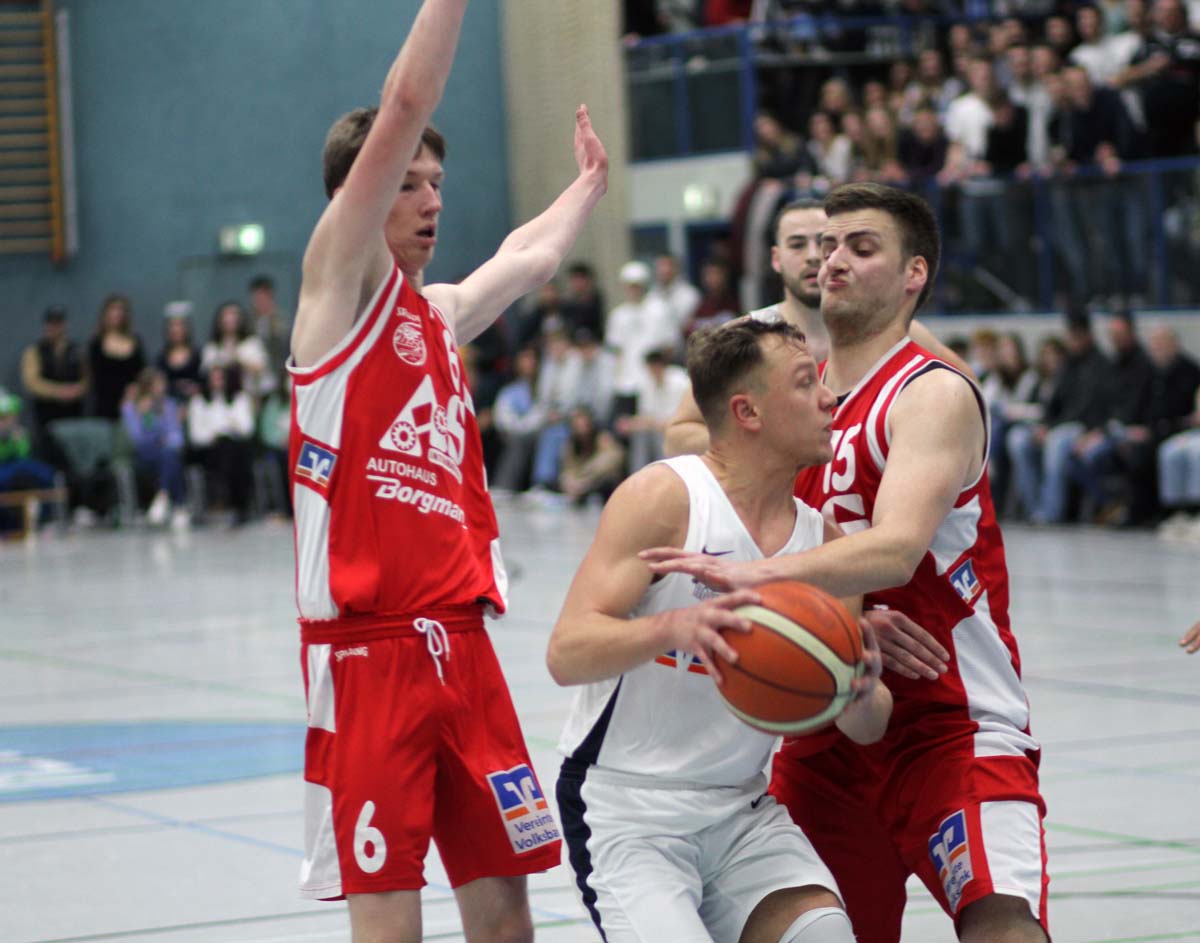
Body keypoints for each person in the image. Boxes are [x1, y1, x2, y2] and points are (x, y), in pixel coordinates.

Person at [644, 184, 1049, 943]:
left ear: (913, 276)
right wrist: (847, 612)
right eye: (827, 245)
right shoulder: (802, 410)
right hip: (823, 721)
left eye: (861, 247)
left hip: (948, 721)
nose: (833, 260)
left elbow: (896, 546)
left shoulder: (931, 389)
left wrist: (766, 580)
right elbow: (694, 449)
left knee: (999, 920)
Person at [285, 2, 608, 939]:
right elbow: (405, 99)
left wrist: (586, 184)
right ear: (359, 197)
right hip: (369, 653)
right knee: (392, 921)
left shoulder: (439, 313)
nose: (431, 199)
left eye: (438, 182)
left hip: (463, 647)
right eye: (408, 183)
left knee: (506, 905)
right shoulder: (335, 294)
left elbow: (530, 256)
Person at [548, 318, 891, 943]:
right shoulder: (666, 497)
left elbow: (867, 728)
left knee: (826, 935)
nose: (828, 398)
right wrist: (672, 625)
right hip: (628, 811)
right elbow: (567, 652)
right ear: (747, 411)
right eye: (805, 382)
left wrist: (860, 687)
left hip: (740, 810)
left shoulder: (824, 545)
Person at [664, 198, 970, 459]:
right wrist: (773, 444)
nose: (813, 256)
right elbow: (677, 438)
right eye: (797, 244)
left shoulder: (896, 332)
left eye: (823, 244)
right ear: (776, 259)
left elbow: (969, 393)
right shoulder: (744, 337)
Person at [121, 367, 188, 529]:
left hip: (166, 452)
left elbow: (177, 437)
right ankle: (179, 506)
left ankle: (163, 496)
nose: (162, 389)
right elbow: (137, 439)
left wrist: (161, 417)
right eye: (157, 385)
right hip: (144, 456)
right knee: (170, 457)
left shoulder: (169, 405)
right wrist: (141, 415)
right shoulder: (130, 408)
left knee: (169, 455)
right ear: (147, 388)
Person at [20, 305, 88, 462]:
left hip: (73, 412)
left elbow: (87, 378)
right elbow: (32, 382)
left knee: (73, 454)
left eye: (58, 323)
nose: (54, 327)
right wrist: (59, 391)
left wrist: (78, 390)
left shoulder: (76, 349)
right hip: (47, 414)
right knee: (49, 452)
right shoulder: (34, 350)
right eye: (51, 323)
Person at [88, 294, 146, 421]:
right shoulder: (96, 343)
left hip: (132, 405)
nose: (117, 313)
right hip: (104, 405)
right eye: (113, 309)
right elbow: (95, 377)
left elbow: (142, 374)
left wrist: (133, 392)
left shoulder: (136, 342)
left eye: (121, 309)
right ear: (105, 313)